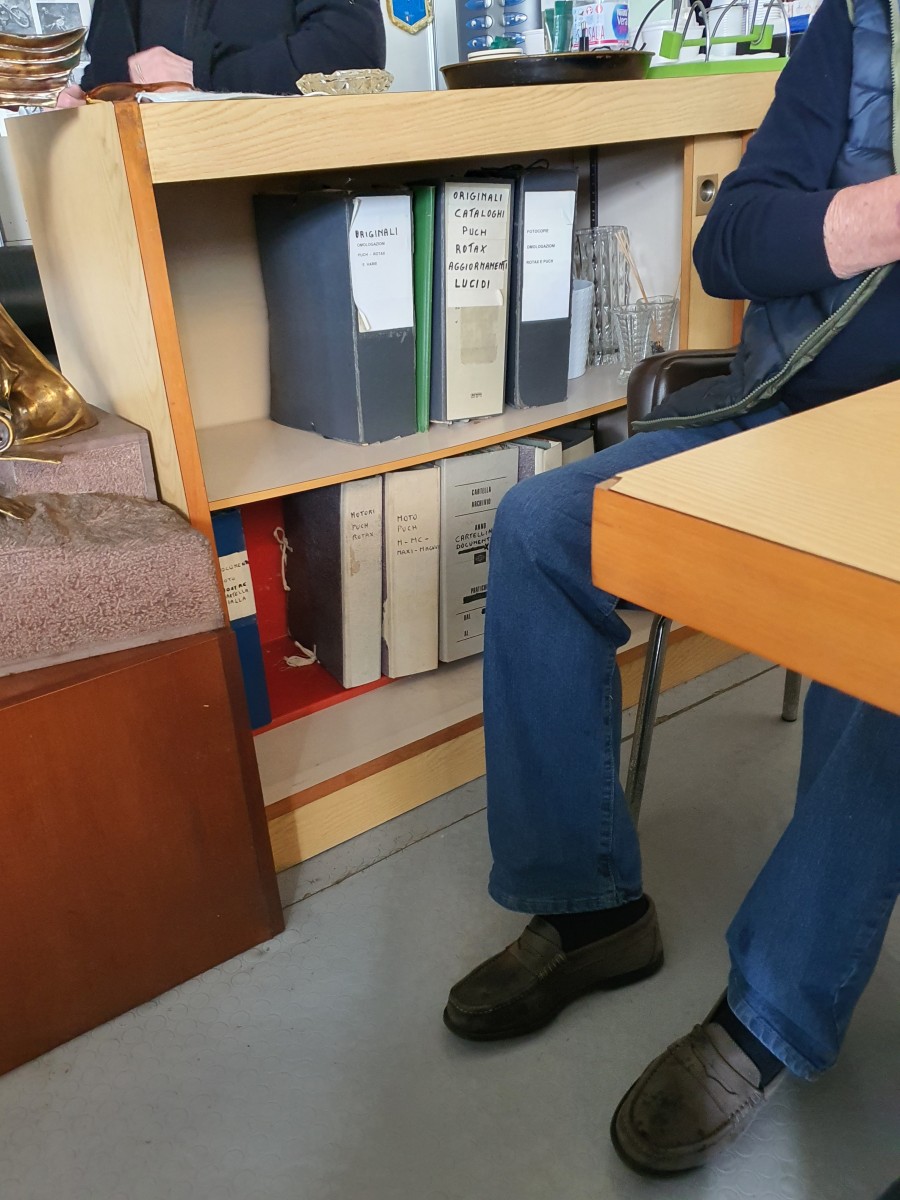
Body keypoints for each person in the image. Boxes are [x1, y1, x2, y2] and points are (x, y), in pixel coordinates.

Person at [444, 0, 900, 1175]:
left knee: (882, 634)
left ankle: (768, 1015)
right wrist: (881, 214)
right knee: (542, 528)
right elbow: (729, 244)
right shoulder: (861, 28)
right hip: (776, 412)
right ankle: (591, 909)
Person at [56, 0, 385, 107]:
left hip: (280, 193)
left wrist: (204, 76)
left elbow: (351, 51)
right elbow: (108, 69)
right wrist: (88, 100)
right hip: (140, 191)